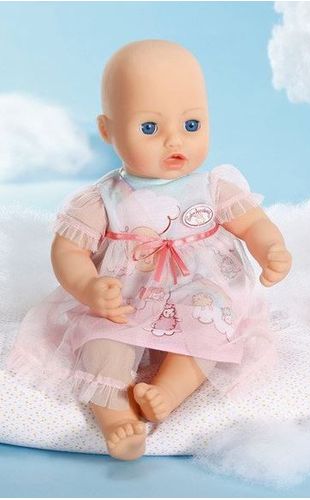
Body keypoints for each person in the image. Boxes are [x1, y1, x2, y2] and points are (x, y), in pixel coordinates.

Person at [7, 40, 292, 460]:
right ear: (108, 130)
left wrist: (270, 248)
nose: (175, 140)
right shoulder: (102, 199)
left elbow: (252, 223)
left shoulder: (214, 187)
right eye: (149, 129)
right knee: (98, 341)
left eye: (191, 124)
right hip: (125, 298)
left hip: (200, 294)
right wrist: (88, 286)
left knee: (212, 332)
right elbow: (68, 250)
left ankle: (166, 393)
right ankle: (116, 415)